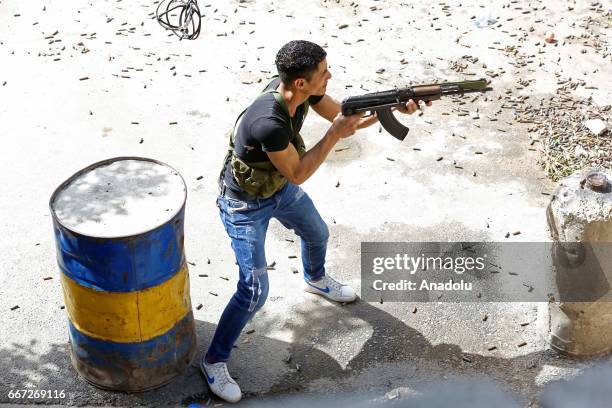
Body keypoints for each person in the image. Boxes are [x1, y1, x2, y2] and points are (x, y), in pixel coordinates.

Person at [201, 40, 432, 403]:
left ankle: (315, 278)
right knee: (254, 291)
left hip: (275, 187)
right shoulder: (268, 122)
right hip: (244, 205)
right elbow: (298, 172)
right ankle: (214, 361)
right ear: (300, 84)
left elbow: (346, 117)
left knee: (316, 233)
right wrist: (333, 134)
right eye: (323, 73)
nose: (330, 76)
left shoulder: (303, 93)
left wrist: (392, 109)